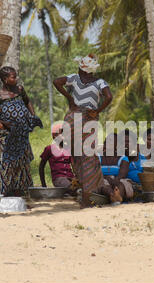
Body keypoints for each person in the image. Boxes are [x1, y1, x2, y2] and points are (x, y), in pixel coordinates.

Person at [53, 54, 113, 208]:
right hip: (89, 118)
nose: (78, 70)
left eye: (80, 67)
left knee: (79, 156)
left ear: (83, 70)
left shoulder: (74, 78)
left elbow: (56, 82)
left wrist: (70, 99)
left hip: (73, 119)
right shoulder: (100, 82)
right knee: (88, 157)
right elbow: (109, 97)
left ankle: (87, 195)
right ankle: (88, 195)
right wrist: (97, 110)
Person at [0, 66, 42, 197]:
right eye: (13, 77)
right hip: (5, 137)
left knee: (22, 166)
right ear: (5, 79)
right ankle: (6, 195)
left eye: (15, 76)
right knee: (6, 166)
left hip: (21, 135)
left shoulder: (20, 90)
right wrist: (2, 122)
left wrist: (32, 117)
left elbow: (28, 102)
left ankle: (22, 196)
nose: (16, 79)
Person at [98, 133, 134, 205]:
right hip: (102, 178)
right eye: (107, 141)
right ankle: (113, 195)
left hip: (118, 178)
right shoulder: (98, 157)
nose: (109, 143)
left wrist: (114, 180)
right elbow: (96, 172)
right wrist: (107, 178)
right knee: (102, 185)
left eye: (112, 141)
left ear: (117, 145)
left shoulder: (123, 158)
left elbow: (122, 174)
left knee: (121, 184)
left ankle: (117, 196)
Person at [39, 122, 75, 189]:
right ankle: (74, 191)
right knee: (70, 187)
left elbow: (73, 165)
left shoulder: (68, 149)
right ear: (55, 136)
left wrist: (77, 178)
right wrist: (43, 185)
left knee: (81, 186)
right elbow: (41, 166)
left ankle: (76, 191)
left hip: (71, 177)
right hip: (59, 178)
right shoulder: (49, 149)